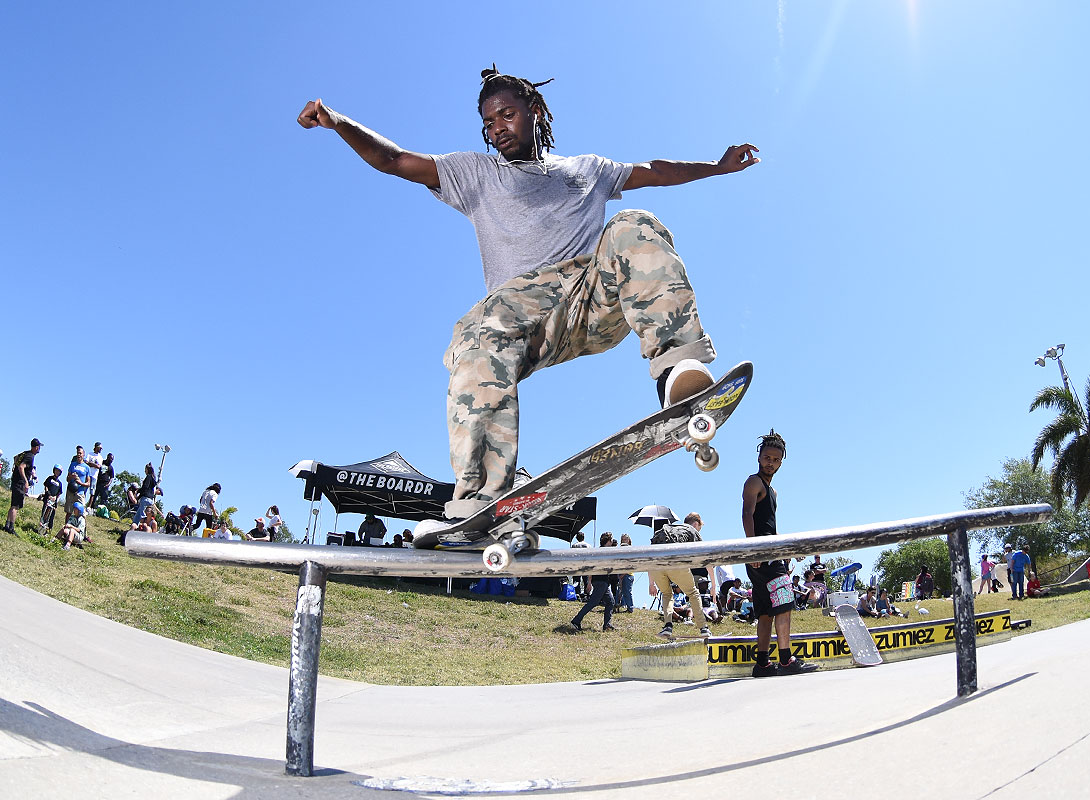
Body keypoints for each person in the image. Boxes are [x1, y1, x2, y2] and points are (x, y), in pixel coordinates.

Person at [298, 68, 759, 537]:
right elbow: (395, 160)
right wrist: (338, 122)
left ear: (535, 112)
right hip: (519, 317)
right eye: (488, 122)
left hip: (589, 298)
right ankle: (482, 504)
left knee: (633, 224)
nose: (497, 128)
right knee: (476, 336)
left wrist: (717, 167)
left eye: (507, 115)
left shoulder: (587, 170)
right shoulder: (475, 172)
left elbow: (657, 171)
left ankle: (677, 371)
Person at [741, 430, 817, 678]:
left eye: (775, 459)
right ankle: (786, 659)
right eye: (767, 457)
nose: (770, 462)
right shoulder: (753, 482)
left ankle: (762, 663)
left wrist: (785, 552)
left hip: (770, 555)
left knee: (764, 611)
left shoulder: (773, 492)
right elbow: (747, 514)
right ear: (759, 457)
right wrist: (753, 551)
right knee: (783, 605)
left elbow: (770, 526)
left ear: (781, 462)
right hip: (761, 556)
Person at [647, 512, 711, 639]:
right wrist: (713, 585)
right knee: (693, 593)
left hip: (656, 564)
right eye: (700, 527)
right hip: (675, 562)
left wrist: (651, 583)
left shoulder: (667, 528)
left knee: (666, 594)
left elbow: (649, 557)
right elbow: (706, 559)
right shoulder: (691, 530)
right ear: (696, 524)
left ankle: (668, 626)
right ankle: (703, 628)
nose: (699, 530)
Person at [570, 532, 617, 632]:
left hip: (601, 581)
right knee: (593, 603)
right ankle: (576, 621)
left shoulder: (599, 551)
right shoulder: (604, 552)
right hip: (601, 581)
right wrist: (589, 582)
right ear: (608, 541)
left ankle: (607, 625)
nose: (612, 541)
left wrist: (590, 582)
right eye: (611, 540)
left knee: (610, 602)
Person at [64, 447, 91, 519]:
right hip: (71, 490)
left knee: (82, 513)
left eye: (80, 453)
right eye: (78, 453)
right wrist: (71, 477)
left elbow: (88, 483)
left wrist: (81, 483)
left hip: (80, 492)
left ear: (83, 454)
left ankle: (82, 529)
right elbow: (67, 479)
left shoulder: (87, 467)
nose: (79, 455)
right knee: (69, 512)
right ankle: (66, 527)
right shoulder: (72, 464)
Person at [39, 464, 65, 532]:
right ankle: (41, 527)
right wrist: (48, 494)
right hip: (48, 498)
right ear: (54, 470)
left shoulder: (60, 483)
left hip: (54, 500)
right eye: (56, 471)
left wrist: (55, 498)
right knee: (45, 513)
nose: (57, 472)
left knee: (51, 515)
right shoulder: (50, 478)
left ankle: (49, 529)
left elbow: (59, 492)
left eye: (59, 471)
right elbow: (46, 486)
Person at [616, 533, 636, 612]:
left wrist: (623, 574)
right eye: (622, 539)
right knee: (619, 591)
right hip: (620, 573)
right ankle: (619, 605)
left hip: (628, 574)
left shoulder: (631, 550)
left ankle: (630, 608)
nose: (624, 541)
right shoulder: (620, 550)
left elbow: (630, 564)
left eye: (625, 539)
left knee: (627, 591)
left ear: (629, 540)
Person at [83, 442, 103, 512]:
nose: (100, 449)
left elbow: (98, 466)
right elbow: (86, 462)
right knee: (84, 489)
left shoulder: (100, 457)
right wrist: (93, 464)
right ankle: (82, 503)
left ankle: (89, 506)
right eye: (99, 448)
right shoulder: (90, 454)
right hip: (88, 474)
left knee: (92, 492)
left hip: (94, 476)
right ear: (96, 447)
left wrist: (91, 464)